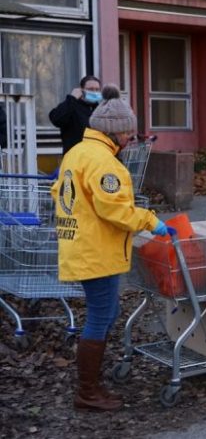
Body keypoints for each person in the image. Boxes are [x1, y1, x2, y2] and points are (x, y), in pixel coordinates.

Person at [51, 84, 169, 412]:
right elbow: (115, 210)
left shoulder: (77, 152)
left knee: (107, 312)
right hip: (96, 251)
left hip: (83, 245)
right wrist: (151, 221)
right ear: (113, 131)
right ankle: (87, 392)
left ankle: (91, 384)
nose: (130, 138)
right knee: (101, 314)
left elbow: (57, 190)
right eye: (128, 132)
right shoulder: (104, 163)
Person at [49, 75, 102, 154]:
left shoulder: (101, 110)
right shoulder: (71, 106)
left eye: (97, 89)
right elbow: (57, 119)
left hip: (97, 156)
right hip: (75, 156)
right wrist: (72, 98)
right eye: (90, 89)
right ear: (81, 90)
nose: (94, 92)